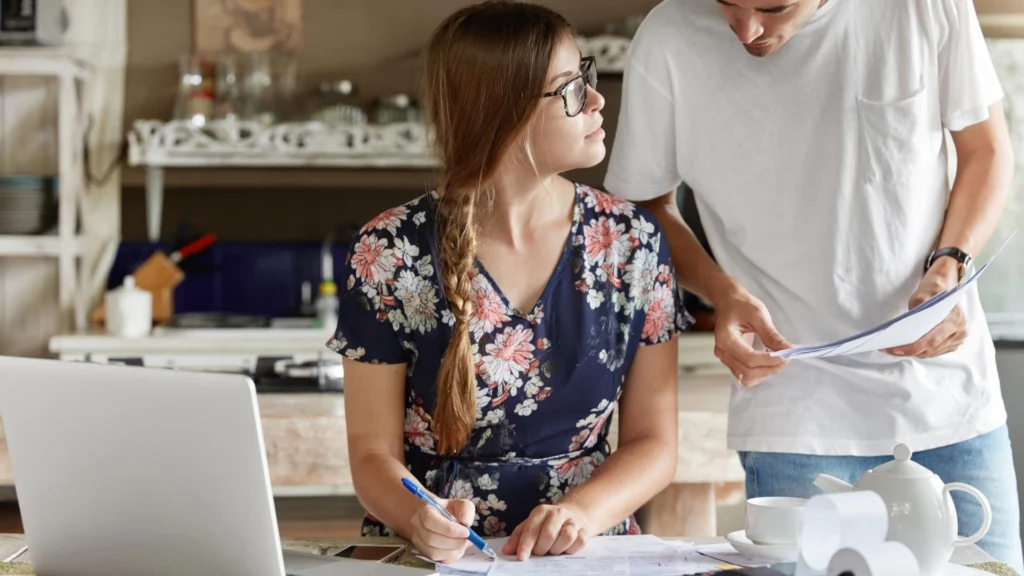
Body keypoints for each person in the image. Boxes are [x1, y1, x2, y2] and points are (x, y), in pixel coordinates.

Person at [604, 0, 1022, 569]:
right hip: (795, 413)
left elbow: (986, 150)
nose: (747, 31)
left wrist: (949, 264)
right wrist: (720, 291)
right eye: (728, 4)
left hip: (948, 399)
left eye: (772, 7)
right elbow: (643, 203)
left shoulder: (922, 6)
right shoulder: (670, 35)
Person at [328, 1, 689, 564]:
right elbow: (370, 454)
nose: (595, 101)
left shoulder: (631, 242)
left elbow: (655, 445)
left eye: (587, 77)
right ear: (506, 110)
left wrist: (581, 514)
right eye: (571, 88)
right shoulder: (388, 251)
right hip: (435, 558)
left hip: (584, 556)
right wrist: (422, 519)